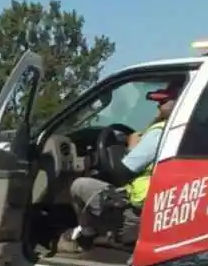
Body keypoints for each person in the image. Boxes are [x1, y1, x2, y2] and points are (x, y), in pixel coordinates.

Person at [60, 82, 181, 253]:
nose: (158, 104)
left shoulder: (159, 133)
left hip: (138, 215)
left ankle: (86, 236)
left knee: (80, 185)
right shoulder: (184, 130)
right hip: (161, 208)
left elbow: (122, 173)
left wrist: (131, 148)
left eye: (163, 101)